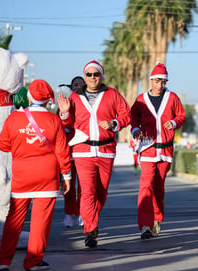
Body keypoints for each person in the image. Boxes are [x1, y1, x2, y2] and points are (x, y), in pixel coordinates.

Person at [0, 79, 72, 271]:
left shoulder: (13, 119)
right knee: (40, 221)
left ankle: (2, 260)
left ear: (29, 97)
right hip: (47, 175)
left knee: (14, 219)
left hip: (22, 175)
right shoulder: (54, 120)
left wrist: (21, 147)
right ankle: (34, 261)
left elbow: (1, 144)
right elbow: (62, 151)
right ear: (48, 101)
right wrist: (67, 177)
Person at [58, 60, 130, 248]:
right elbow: (66, 124)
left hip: (106, 151)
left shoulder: (112, 95)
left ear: (101, 76)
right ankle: (90, 230)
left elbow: (126, 115)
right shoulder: (74, 97)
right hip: (83, 151)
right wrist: (64, 114)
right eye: (88, 75)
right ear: (84, 77)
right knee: (87, 192)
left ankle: (91, 219)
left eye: (95, 74)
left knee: (101, 192)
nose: (92, 78)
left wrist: (114, 123)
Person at [130, 62, 186, 239]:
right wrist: (135, 130)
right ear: (151, 80)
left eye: (163, 82)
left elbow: (181, 115)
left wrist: (175, 122)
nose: (160, 85)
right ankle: (145, 225)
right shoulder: (140, 100)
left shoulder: (172, 97)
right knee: (145, 186)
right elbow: (133, 117)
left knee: (158, 187)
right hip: (147, 147)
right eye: (157, 81)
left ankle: (156, 218)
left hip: (165, 150)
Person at [62, 76, 85, 228]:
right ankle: (69, 213)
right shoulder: (65, 104)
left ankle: (83, 212)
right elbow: (59, 125)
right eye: (75, 84)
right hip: (69, 150)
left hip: (84, 149)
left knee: (84, 185)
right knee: (69, 184)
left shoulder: (89, 103)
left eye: (80, 84)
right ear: (71, 87)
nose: (78, 86)